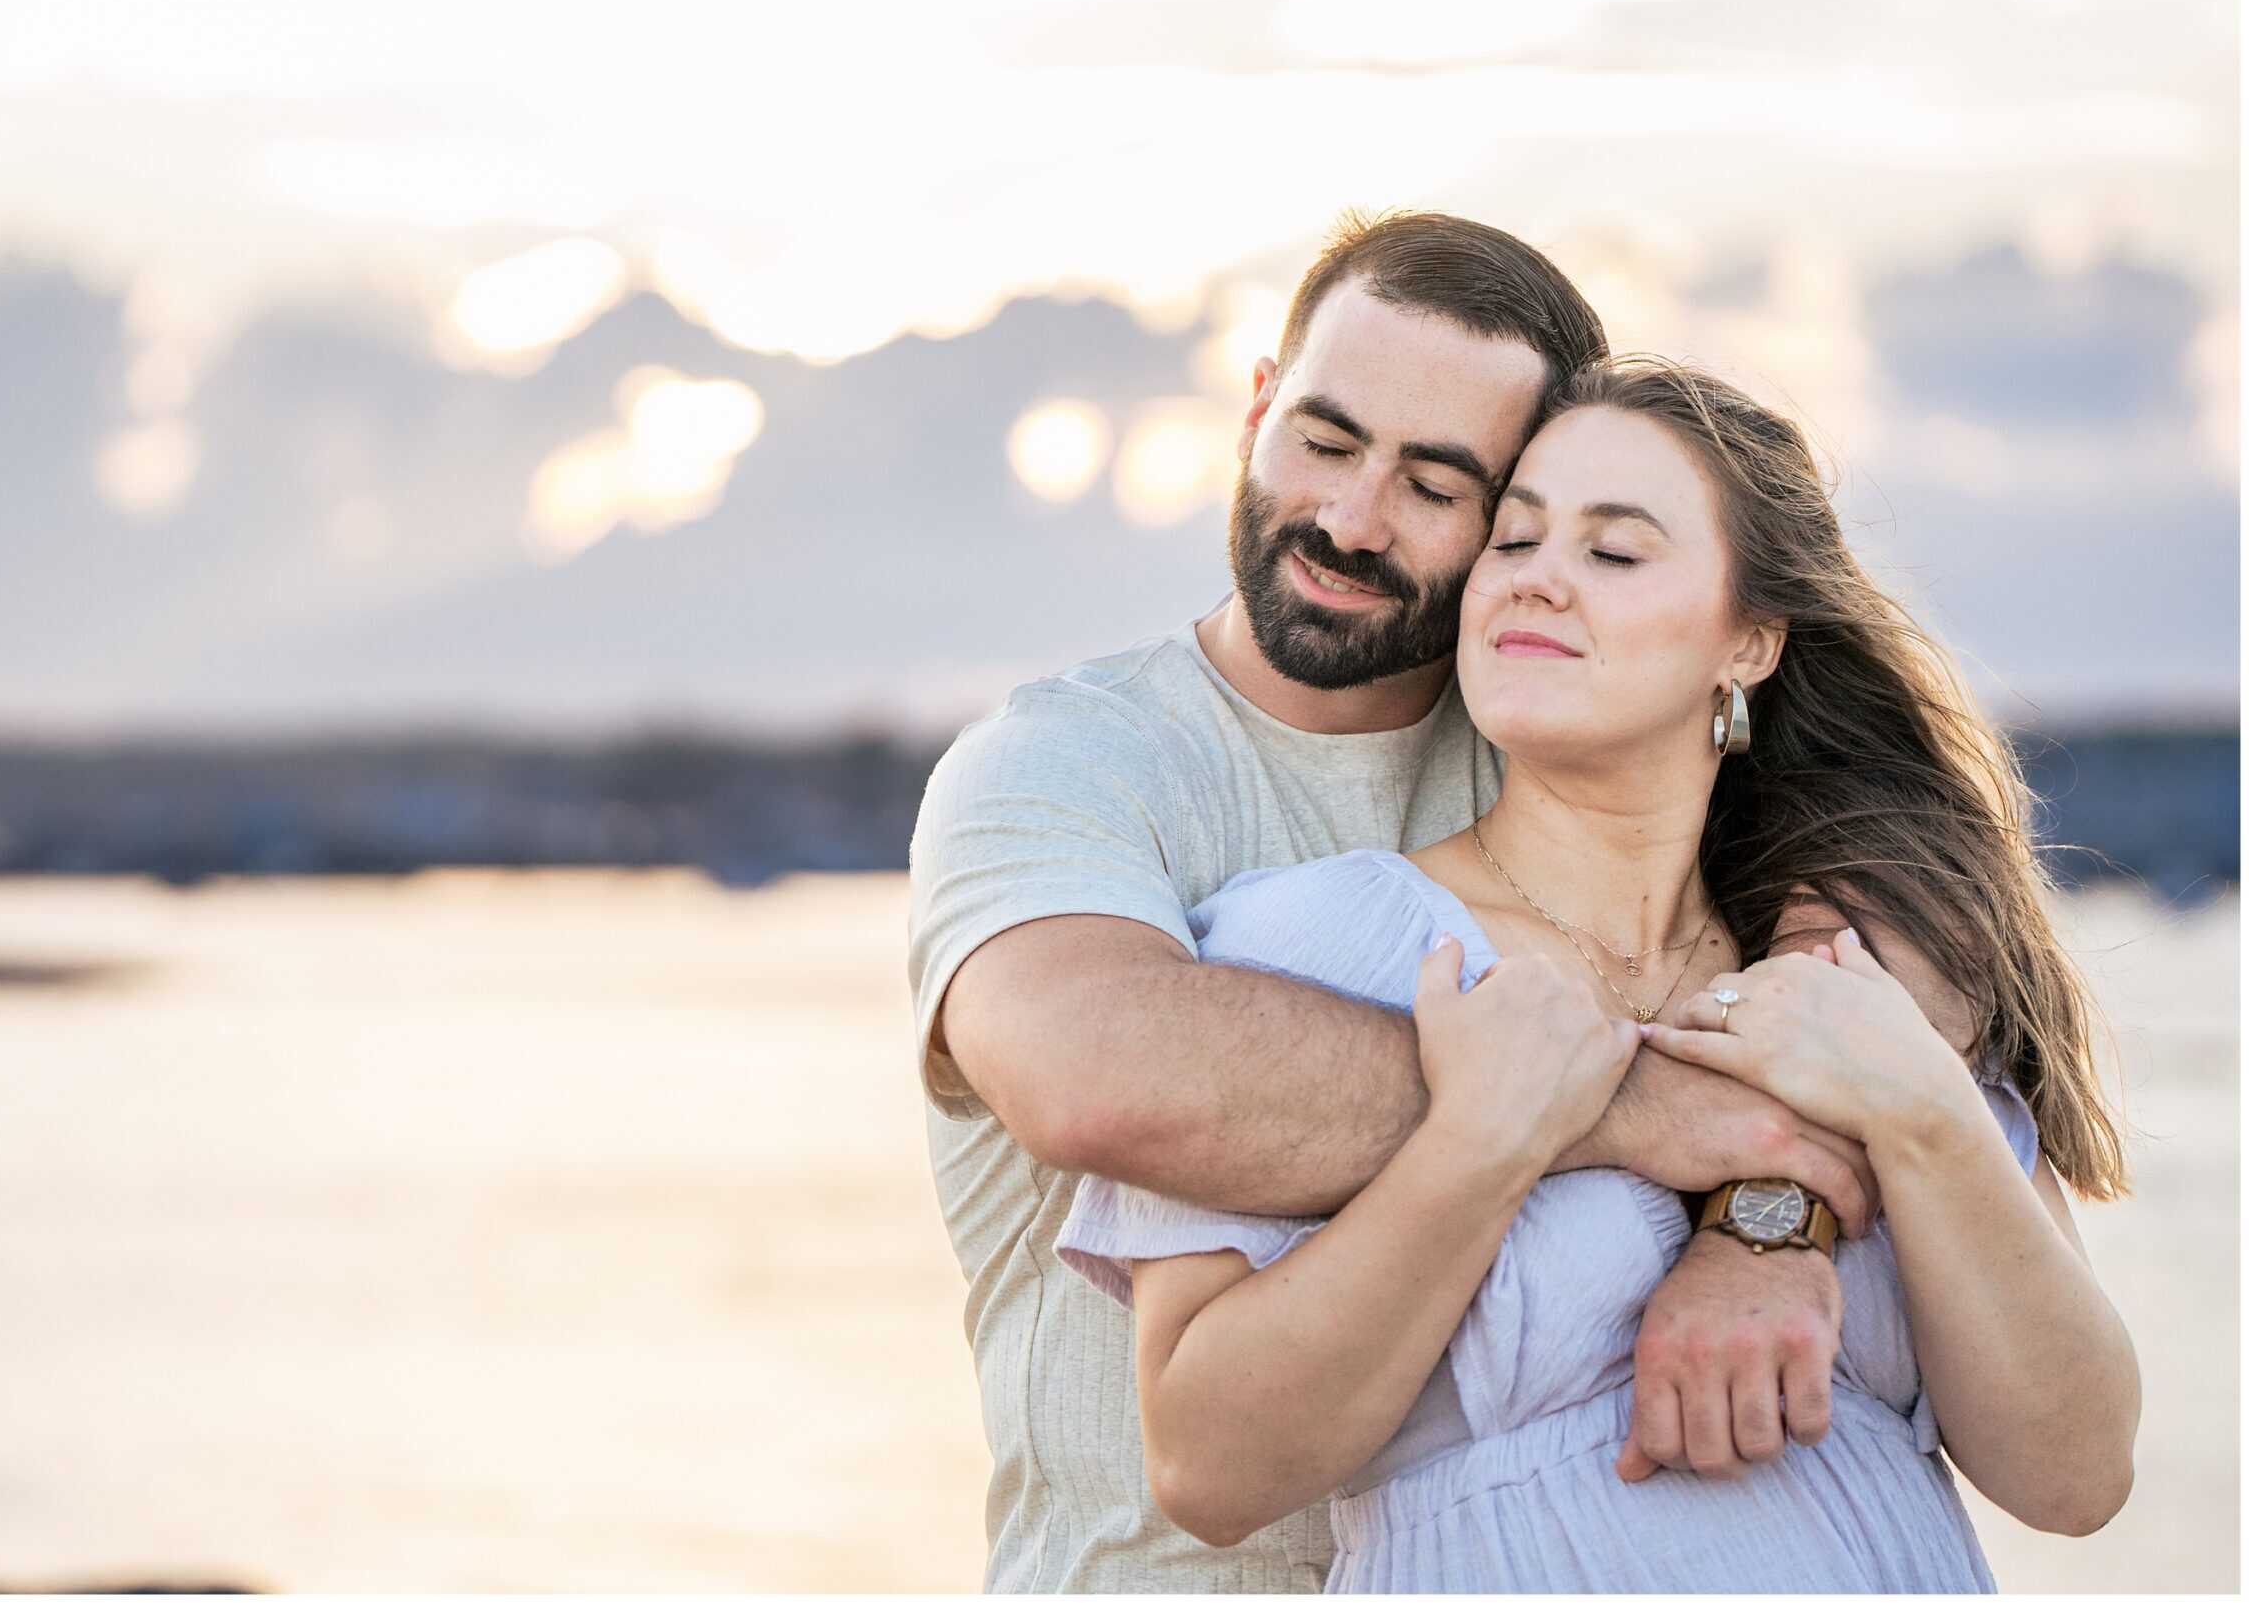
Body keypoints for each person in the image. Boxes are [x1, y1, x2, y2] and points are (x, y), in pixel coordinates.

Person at [908, 211, 1897, 1592]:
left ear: (1520, 518)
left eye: (1437, 486)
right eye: (1322, 440)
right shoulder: (1065, 763)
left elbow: (1905, 886)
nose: (1351, 519)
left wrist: (1764, 1224)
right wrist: (1635, 1108)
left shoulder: (1570, 731)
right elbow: (1096, 1073)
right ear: (1256, 407)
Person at [1050, 357, 2138, 1591]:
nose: (1537, 579)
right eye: (1513, 540)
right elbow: (1208, 1470)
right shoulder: (1321, 943)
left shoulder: (1865, 969)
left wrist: (1922, 1113)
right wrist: (1480, 1147)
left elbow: (2077, 1476)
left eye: (1613, 554)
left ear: (1749, 640)